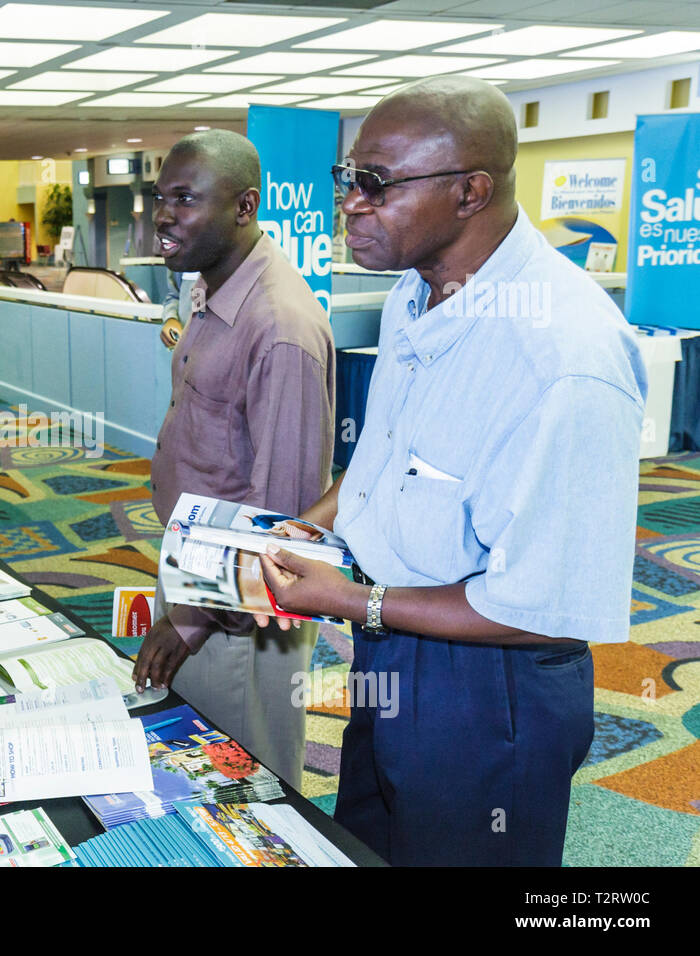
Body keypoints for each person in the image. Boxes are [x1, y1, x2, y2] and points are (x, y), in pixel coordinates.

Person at [252, 76, 646, 866]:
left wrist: (354, 601)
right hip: (390, 642)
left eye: (377, 184)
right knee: (366, 841)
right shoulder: (415, 292)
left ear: (470, 191)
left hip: (491, 686)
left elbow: (548, 605)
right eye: (348, 179)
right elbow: (386, 456)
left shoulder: (563, 359)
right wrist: (316, 524)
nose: (351, 204)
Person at [130, 129, 336, 791]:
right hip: (197, 567)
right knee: (199, 773)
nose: (165, 214)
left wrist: (187, 621)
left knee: (251, 785)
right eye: (161, 197)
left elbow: (281, 531)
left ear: (244, 207)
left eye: (186, 200)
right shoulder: (212, 287)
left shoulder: (278, 327)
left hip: (240, 607)